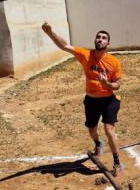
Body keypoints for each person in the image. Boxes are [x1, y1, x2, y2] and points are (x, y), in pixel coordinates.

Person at [41, 22, 123, 177]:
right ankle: (98, 144)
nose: (100, 39)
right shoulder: (86, 55)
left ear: (108, 43)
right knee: (92, 129)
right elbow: (65, 46)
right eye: (98, 37)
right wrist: (51, 33)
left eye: (104, 38)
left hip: (109, 100)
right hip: (91, 100)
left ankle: (117, 163)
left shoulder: (114, 62)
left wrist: (107, 83)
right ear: (95, 40)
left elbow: (117, 85)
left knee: (108, 128)